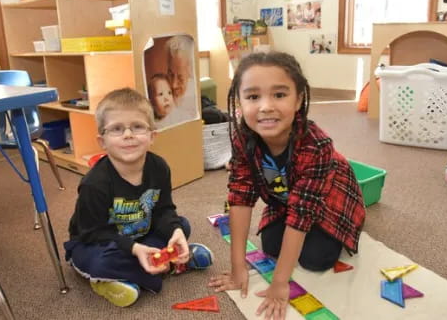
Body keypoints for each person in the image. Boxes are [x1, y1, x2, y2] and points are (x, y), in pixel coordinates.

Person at [208, 52, 366, 319]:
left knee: (315, 260)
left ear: (299, 100)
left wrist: (281, 283)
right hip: (285, 197)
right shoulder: (243, 137)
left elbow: (303, 212)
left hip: (331, 200)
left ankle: (342, 229)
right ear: (239, 101)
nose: (266, 106)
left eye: (279, 95)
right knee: (271, 246)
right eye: (253, 97)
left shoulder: (317, 145)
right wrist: (238, 268)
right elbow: (240, 196)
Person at [64, 88, 213, 307]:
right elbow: (91, 233)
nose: (128, 135)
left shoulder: (159, 167)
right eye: (116, 129)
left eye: (137, 127)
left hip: (140, 234)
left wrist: (176, 232)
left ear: (152, 136)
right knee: (97, 261)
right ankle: (169, 264)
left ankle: (140, 270)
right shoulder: (94, 184)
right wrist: (134, 249)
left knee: (182, 225)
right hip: (99, 241)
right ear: (102, 141)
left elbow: (163, 210)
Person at [157, 35, 199, 128]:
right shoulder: (161, 87)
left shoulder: (195, 99)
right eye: (170, 74)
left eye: (180, 78)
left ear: (190, 73)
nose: (173, 85)